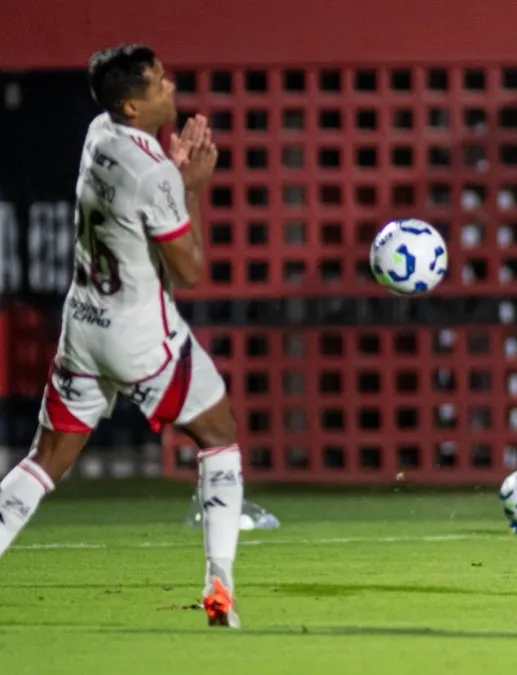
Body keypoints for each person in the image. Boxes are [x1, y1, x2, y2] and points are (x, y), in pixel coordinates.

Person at [0, 45, 244, 628]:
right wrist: (192, 187)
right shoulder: (154, 174)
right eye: (159, 82)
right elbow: (188, 270)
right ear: (133, 103)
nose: (170, 86)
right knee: (219, 436)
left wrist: (168, 168)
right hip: (140, 336)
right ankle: (220, 590)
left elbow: (134, 191)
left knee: (42, 464)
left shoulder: (98, 133)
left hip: (83, 328)